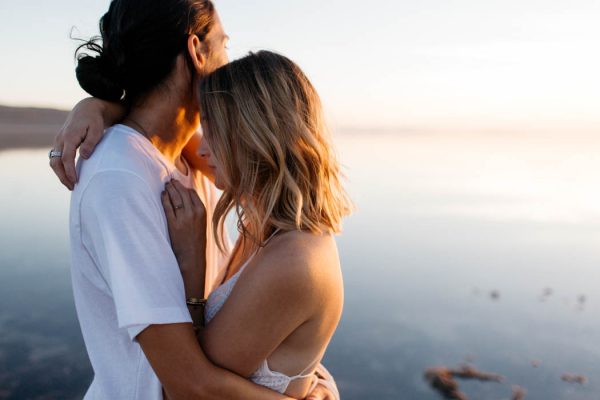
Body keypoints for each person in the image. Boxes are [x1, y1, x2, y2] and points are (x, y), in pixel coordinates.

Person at [51, 0, 340, 399]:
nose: (230, 61)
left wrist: (307, 372)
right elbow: (187, 386)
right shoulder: (121, 179)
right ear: (197, 51)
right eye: (224, 45)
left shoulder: (200, 158)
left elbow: (268, 162)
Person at [161, 50, 352, 398]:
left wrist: (192, 259)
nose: (202, 150)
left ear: (255, 136)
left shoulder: (294, 261)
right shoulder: (269, 221)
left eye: (215, 131)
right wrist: (100, 109)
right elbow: (158, 135)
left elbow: (187, 390)